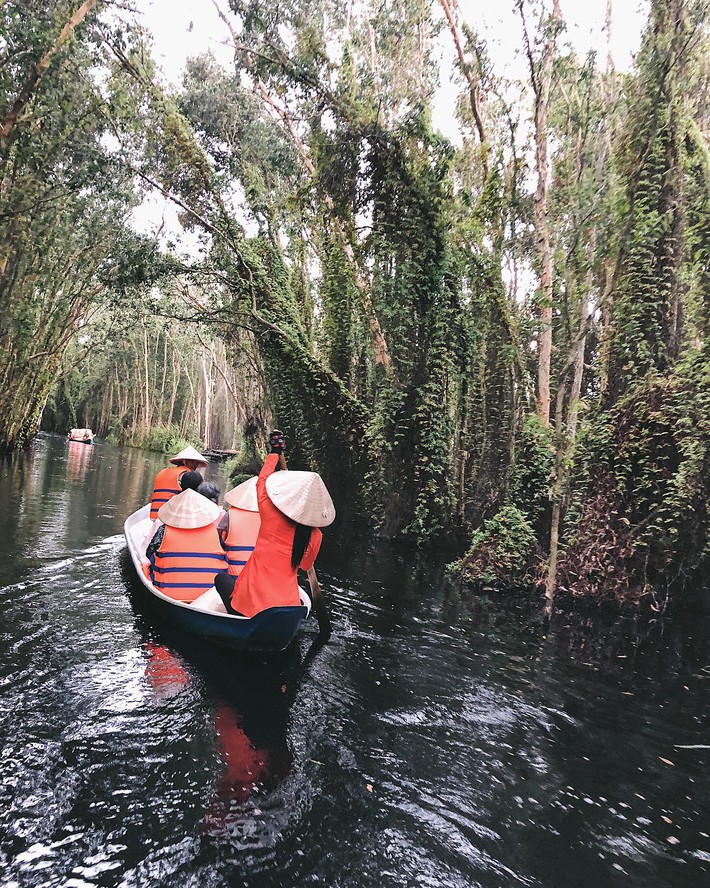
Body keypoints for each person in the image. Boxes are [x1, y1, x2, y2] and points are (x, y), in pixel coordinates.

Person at [214, 430, 335, 617]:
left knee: (221, 579)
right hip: (285, 607)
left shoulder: (270, 515)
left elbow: (261, 482)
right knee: (300, 600)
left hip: (249, 603)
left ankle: (240, 617)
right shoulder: (315, 535)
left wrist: (275, 453)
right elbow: (304, 565)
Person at [146, 487, 228, 602]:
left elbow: (148, 552)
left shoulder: (164, 529)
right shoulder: (213, 530)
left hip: (169, 592)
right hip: (207, 594)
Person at [149, 445, 208, 520]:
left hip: (153, 516)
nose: (195, 465)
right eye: (192, 461)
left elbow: (151, 499)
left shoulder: (162, 472)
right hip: (167, 519)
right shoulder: (186, 475)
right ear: (184, 461)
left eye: (196, 462)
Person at [218, 476, 261, 577]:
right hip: (257, 574)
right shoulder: (267, 517)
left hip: (233, 573)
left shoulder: (230, 514)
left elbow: (217, 534)